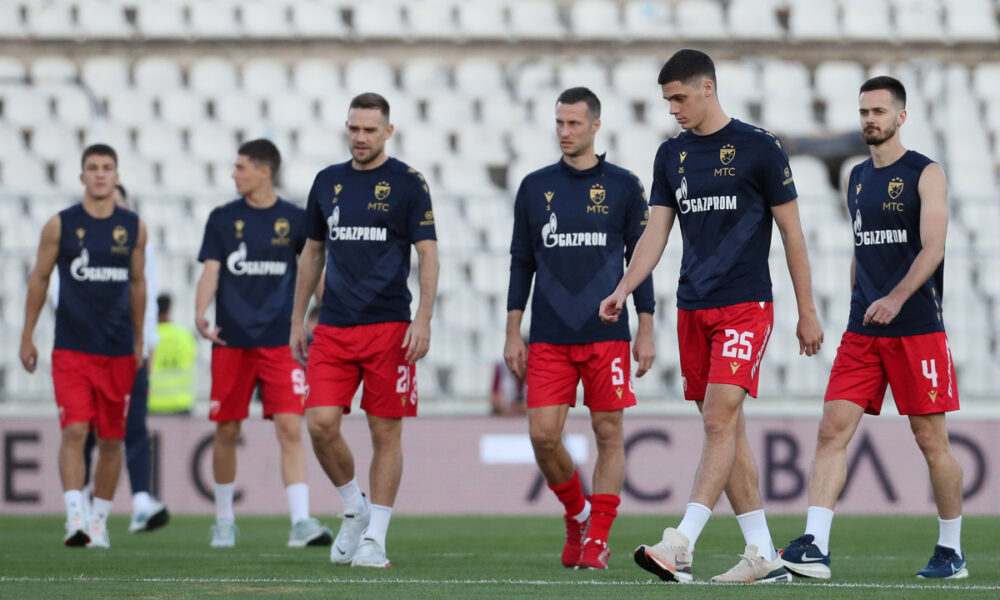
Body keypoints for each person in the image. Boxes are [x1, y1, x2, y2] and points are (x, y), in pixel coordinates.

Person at [599, 49, 824, 583]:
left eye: (679, 97)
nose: (672, 108)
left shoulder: (760, 148)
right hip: (693, 307)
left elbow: (793, 233)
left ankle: (680, 544)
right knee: (729, 430)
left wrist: (807, 311)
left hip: (746, 304)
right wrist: (624, 287)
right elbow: (656, 233)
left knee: (718, 420)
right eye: (666, 100)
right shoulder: (669, 156)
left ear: (707, 87)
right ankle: (763, 554)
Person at [780, 76, 967, 580]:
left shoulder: (926, 173)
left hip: (917, 328)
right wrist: (857, 305)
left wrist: (896, 296)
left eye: (879, 111)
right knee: (831, 430)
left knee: (932, 441)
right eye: (864, 111)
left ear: (900, 117)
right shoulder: (856, 177)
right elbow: (863, 251)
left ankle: (951, 550)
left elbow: (934, 248)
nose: (870, 120)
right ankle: (815, 544)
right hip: (863, 331)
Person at [504, 87, 655, 570]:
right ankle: (577, 513)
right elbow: (521, 262)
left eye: (574, 123)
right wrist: (513, 329)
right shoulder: (534, 187)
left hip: (607, 334)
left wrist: (646, 327)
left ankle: (598, 539)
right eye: (559, 123)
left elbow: (641, 262)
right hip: (548, 334)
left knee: (608, 431)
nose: (565, 132)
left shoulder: (625, 186)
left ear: (595, 125)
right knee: (543, 435)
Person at [290, 92, 438, 569]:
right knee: (319, 422)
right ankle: (354, 506)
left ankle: (376, 537)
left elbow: (428, 254)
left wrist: (423, 319)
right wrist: (297, 320)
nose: (359, 137)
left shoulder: (409, 183)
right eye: (354, 128)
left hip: (389, 326)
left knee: (384, 432)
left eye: (370, 129)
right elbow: (312, 252)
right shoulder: (326, 182)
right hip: (333, 326)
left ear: (387, 132)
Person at [195, 139, 332, 549]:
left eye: (240, 167)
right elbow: (211, 271)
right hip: (231, 340)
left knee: (291, 426)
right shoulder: (221, 219)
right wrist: (201, 311)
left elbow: (313, 271)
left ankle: (301, 522)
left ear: (263, 171)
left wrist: (332, 313)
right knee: (226, 428)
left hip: (280, 343)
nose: (233, 174)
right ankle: (223, 520)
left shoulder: (295, 219)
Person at [20, 144, 147, 548]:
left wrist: (140, 338)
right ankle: (75, 516)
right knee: (75, 430)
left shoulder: (134, 226)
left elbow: (137, 283)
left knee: (111, 439)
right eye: (92, 168)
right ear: (81, 176)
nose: (99, 175)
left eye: (107, 168)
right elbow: (39, 279)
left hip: (117, 349)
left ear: (116, 175)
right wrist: (27, 334)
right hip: (71, 347)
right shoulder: (59, 225)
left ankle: (99, 521)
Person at [76, 184, 169, 533]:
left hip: (128, 350)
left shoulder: (139, 241)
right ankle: (82, 501)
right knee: (84, 428)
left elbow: (148, 294)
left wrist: (147, 346)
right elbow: (59, 293)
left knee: (133, 427)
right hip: (85, 349)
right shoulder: (75, 238)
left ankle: (142, 501)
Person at [148, 293, 198, 415]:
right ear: (169, 310)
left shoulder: (147, 337)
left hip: (151, 404)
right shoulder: (185, 335)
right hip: (181, 403)